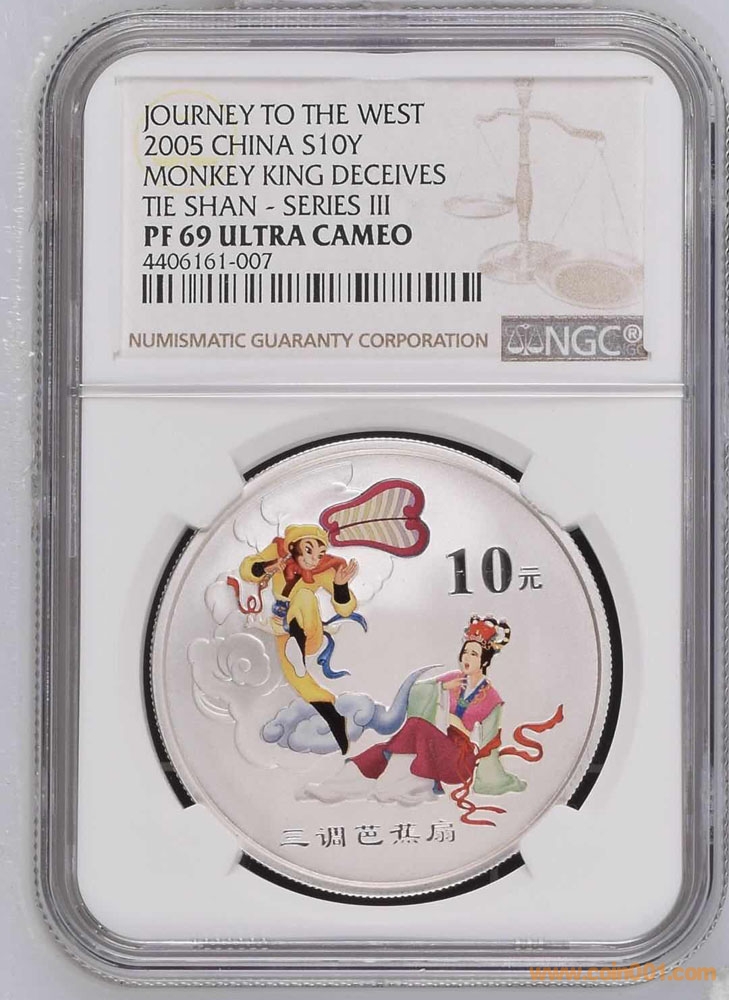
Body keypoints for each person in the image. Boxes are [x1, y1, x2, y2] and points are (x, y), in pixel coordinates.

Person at [300, 615, 526, 818]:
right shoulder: (453, 678)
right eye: (465, 652)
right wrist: (441, 688)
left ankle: (393, 784)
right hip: (431, 740)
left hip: (458, 758)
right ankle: (334, 787)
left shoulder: (491, 697)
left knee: (416, 727)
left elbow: (490, 744)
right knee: (382, 750)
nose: (466, 657)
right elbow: (417, 690)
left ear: (485, 661)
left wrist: (488, 778)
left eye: (474, 654)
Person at [239, 524, 358, 754]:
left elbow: (345, 608)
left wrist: (340, 586)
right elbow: (247, 569)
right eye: (309, 550)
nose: (314, 559)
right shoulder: (278, 553)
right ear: (293, 547)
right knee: (302, 683)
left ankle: (298, 643)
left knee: (304, 596)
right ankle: (335, 721)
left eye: (320, 554)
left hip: (310, 631)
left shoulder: (323, 570)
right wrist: (268, 566)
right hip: (283, 631)